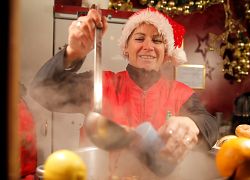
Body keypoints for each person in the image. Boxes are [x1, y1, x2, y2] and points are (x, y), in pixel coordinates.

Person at [30, 7, 218, 179]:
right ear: (126, 49)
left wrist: (191, 123)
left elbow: (209, 126)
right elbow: (42, 89)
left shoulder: (180, 93)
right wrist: (73, 52)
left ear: (166, 53)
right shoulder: (102, 84)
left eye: (157, 40)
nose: (148, 46)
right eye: (139, 38)